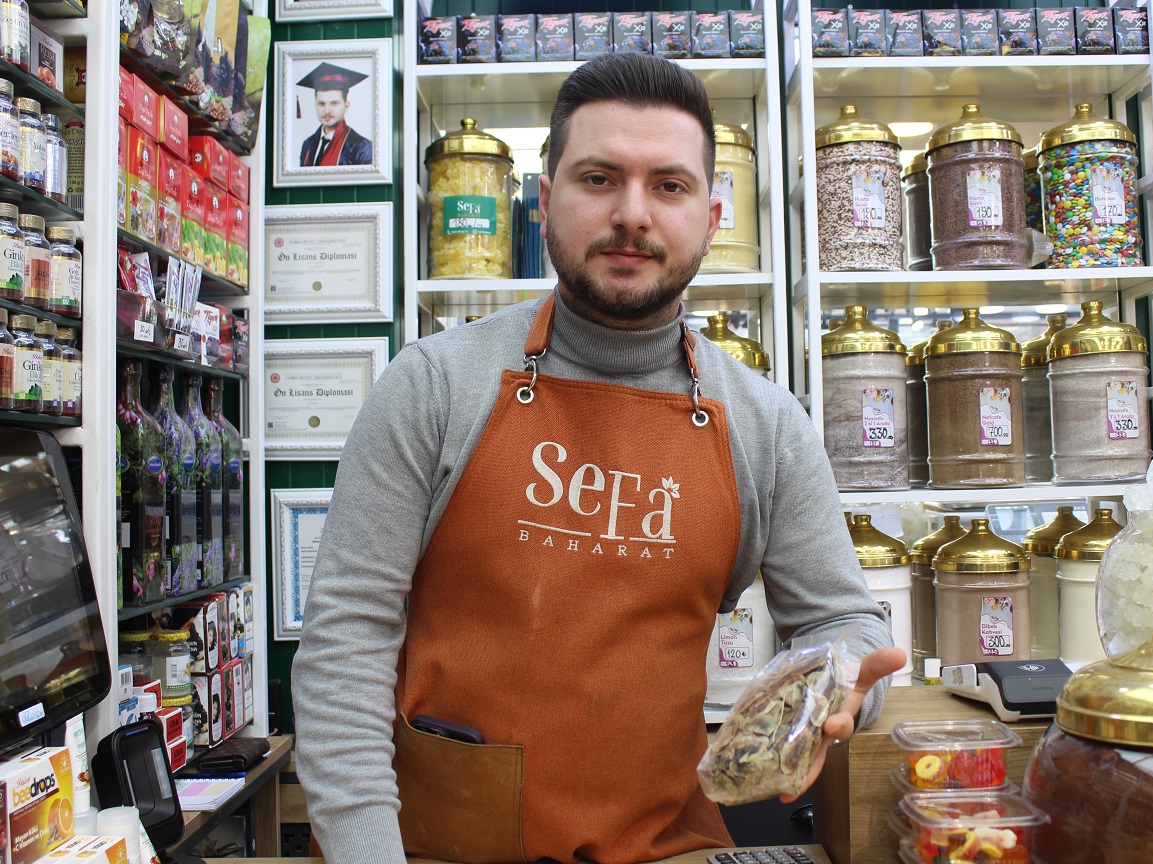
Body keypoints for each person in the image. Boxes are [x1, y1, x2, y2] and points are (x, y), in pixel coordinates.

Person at [293, 51, 904, 864]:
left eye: (669, 186)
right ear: (546, 201)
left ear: (712, 217)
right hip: (434, 845)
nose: (632, 214)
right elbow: (344, 646)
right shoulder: (433, 386)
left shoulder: (767, 425)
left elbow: (841, 622)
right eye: (599, 178)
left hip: (665, 847)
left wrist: (841, 681)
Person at [296, 62, 373, 167]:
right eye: (321, 104)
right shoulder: (307, 144)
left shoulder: (362, 147)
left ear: (346, 106)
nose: (327, 110)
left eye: (334, 103)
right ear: (315, 105)